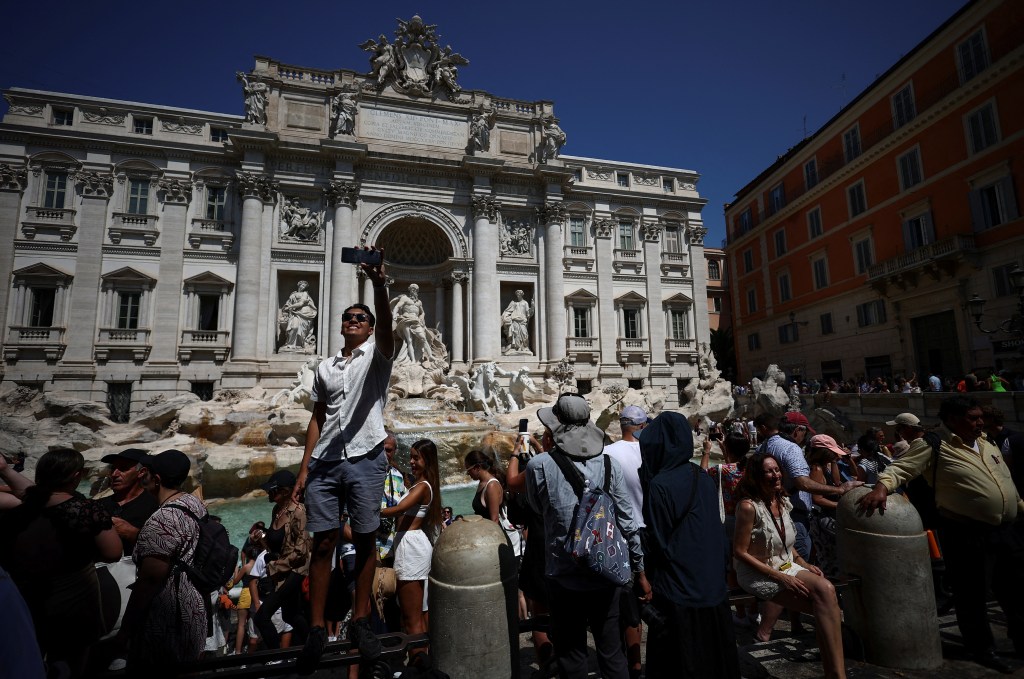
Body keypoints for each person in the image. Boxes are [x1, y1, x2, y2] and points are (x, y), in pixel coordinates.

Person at [858, 396, 1024, 674]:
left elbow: (1003, 479)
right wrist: (881, 487)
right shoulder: (934, 444)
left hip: (1007, 530)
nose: (980, 422)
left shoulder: (986, 441)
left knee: (1016, 588)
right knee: (972, 594)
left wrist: (1018, 506)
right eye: (973, 418)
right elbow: (900, 467)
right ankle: (982, 649)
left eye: (980, 416)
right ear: (953, 420)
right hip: (967, 531)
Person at [294, 246, 394, 674]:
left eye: (361, 318)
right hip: (327, 461)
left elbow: (389, 328)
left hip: (367, 456)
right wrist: (303, 468)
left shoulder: (378, 356)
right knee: (324, 542)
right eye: (348, 317)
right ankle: (317, 627)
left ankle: (361, 621)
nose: (353, 321)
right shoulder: (325, 367)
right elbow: (317, 417)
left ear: (369, 329)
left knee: (367, 538)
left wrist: (378, 284)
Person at [525, 394, 650, 679]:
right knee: (611, 651)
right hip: (606, 571)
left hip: (562, 574)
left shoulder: (539, 466)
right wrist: (640, 570)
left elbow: (536, 507)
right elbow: (627, 522)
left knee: (571, 655)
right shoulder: (609, 464)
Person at [0, 448, 121, 678]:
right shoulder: (86, 511)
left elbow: (28, 493)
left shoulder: (19, 510)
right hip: (75, 604)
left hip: (28, 601)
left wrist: (6, 471)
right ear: (77, 476)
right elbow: (114, 553)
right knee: (71, 668)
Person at [638, 412, 741, 678]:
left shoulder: (660, 484)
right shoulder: (702, 476)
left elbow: (658, 541)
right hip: (711, 587)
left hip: (679, 590)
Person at [734, 453, 847, 679]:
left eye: (777, 470)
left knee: (827, 591)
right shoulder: (748, 507)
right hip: (759, 571)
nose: (775, 475)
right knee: (824, 604)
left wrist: (804, 563)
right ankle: (836, 673)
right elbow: (739, 552)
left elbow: (786, 542)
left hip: (786, 564)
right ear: (756, 476)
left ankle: (835, 672)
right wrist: (781, 577)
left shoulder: (782, 500)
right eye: (769, 471)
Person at [116, 449, 207, 677]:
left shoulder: (163, 520)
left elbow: (150, 581)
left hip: (169, 614)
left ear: (156, 479)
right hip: (194, 605)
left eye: (148, 473)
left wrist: (124, 632)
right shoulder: (194, 504)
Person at [754, 413, 861, 562]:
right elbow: (802, 483)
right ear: (798, 430)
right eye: (805, 432)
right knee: (800, 559)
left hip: (776, 509)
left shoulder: (763, 447)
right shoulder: (790, 448)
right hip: (794, 514)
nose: (805, 437)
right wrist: (840, 490)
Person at [380, 439, 442, 668]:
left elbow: (398, 509)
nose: (412, 461)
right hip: (411, 545)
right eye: (411, 457)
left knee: (411, 618)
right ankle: (425, 663)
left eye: (417, 458)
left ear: (428, 460)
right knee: (417, 614)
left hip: (411, 547)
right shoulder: (419, 483)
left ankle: (419, 669)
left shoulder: (423, 486)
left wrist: (368, 512)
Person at [603, 405, 648, 679]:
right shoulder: (651, 451)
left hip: (621, 533)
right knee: (649, 600)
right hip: (650, 532)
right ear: (642, 426)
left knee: (627, 604)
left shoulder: (607, 453)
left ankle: (633, 664)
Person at [700, 431, 754, 625]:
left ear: (727, 449)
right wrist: (727, 451)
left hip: (730, 521)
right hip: (752, 517)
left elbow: (702, 475)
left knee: (732, 567)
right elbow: (734, 465)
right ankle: (754, 610)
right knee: (751, 561)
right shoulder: (750, 469)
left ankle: (740, 613)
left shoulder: (721, 470)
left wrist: (706, 452)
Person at [253, 470, 310, 649]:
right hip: (282, 572)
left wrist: (276, 566)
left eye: (273, 490)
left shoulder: (299, 512)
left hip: (295, 571)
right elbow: (276, 542)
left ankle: (277, 657)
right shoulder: (276, 510)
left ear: (285, 491)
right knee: (290, 615)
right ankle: (316, 646)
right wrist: (262, 538)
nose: (269, 493)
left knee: (262, 616)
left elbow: (301, 550)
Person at [97, 448, 158, 554]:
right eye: (113, 468)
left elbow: (167, 546)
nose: (114, 474)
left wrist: (134, 534)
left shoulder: (156, 506)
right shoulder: (98, 506)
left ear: (141, 472)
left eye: (123, 468)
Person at [805, 435, 848, 578]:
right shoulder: (816, 469)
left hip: (828, 516)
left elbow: (836, 482)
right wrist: (840, 505)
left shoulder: (824, 466)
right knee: (829, 556)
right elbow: (817, 498)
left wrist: (835, 460)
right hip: (822, 518)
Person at [465, 449, 522, 557]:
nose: (468, 473)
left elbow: (494, 520)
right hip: (486, 536)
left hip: (496, 540)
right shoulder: (482, 483)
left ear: (477, 468)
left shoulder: (491, 486)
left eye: (468, 469)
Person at [390, 283, 433, 365]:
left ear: (417, 291)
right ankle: (413, 360)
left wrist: (422, 317)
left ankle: (430, 355)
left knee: (423, 338)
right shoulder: (404, 298)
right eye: (412, 289)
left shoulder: (419, 302)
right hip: (406, 319)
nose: (414, 290)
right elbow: (397, 307)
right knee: (409, 340)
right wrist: (394, 314)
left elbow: (422, 312)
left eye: (416, 289)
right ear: (409, 290)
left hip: (416, 321)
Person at [279, 281, 318, 349]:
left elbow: (301, 303)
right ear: (299, 285)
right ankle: (290, 344)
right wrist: (286, 308)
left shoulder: (305, 293)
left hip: (304, 314)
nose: (303, 287)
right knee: (294, 327)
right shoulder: (293, 294)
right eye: (302, 285)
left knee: (302, 331)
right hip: (295, 313)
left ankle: (299, 345)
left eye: (304, 286)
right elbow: (288, 303)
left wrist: (290, 307)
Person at [501, 290, 533, 354]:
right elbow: (508, 311)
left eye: (519, 294)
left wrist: (532, 306)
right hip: (515, 321)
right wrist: (505, 317)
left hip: (523, 321)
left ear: (522, 295)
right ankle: (515, 348)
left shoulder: (525, 303)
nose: (518, 295)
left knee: (524, 334)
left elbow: (528, 313)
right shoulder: (513, 303)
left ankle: (524, 347)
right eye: (517, 294)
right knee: (515, 335)